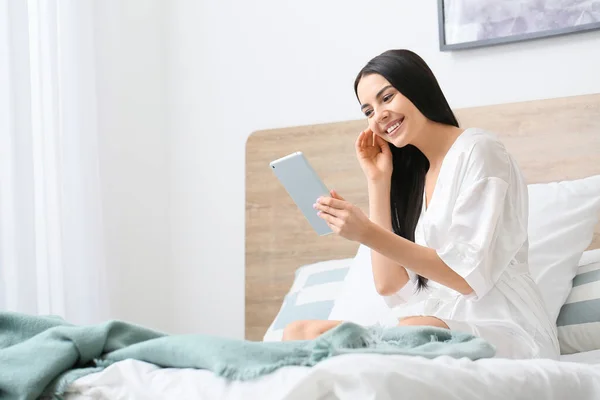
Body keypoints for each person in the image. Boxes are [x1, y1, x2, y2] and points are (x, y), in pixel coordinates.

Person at [281, 49, 559, 360]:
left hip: (504, 326)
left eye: (387, 98)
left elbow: (466, 278)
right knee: (300, 332)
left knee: (408, 331)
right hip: (434, 324)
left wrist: (365, 233)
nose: (379, 115)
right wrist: (378, 182)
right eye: (368, 111)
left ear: (418, 87)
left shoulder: (480, 150)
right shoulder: (416, 178)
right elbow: (390, 286)